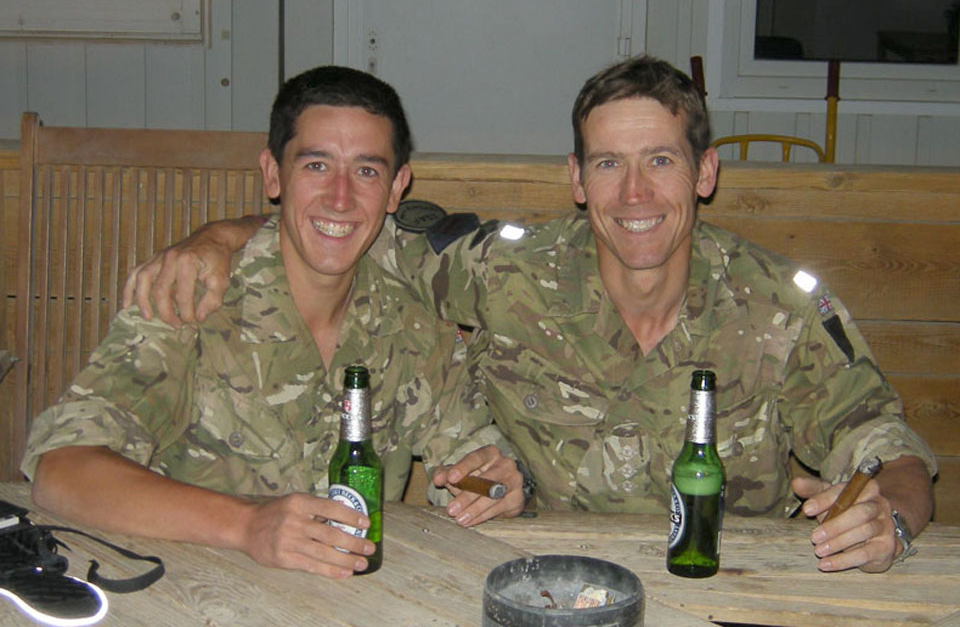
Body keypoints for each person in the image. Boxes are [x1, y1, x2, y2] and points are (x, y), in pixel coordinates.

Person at [123, 56, 936, 574]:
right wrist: (219, 236)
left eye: (661, 160)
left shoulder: (777, 305)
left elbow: (888, 449)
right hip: (543, 585)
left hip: (726, 585)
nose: (636, 194)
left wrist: (888, 519)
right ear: (576, 180)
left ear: (706, 172)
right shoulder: (510, 272)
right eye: (609, 164)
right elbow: (346, 225)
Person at [20, 66, 523, 580]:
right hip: (190, 590)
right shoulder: (193, 294)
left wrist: (494, 486)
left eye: (367, 171)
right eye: (317, 166)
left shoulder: (412, 318)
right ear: (273, 174)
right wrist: (247, 526)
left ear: (397, 189)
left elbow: (470, 466)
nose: (341, 198)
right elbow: (63, 471)